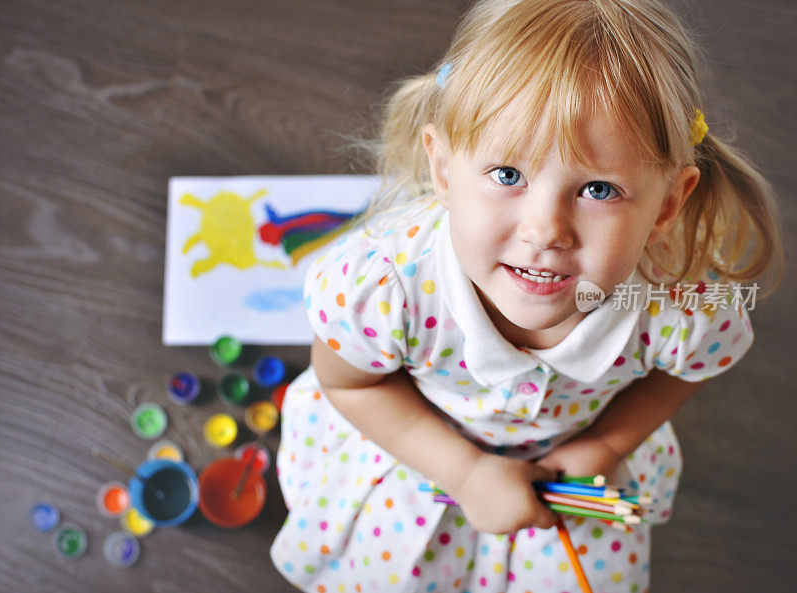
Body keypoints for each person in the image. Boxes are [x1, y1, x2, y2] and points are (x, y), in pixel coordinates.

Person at [270, 1, 783, 591]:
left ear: (668, 203)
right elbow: (348, 381)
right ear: (442, 168)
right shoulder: (384, 285)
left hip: (576, 478)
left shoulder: (683, 306)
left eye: (598, 188)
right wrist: (464, 473)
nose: (545, 230)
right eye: (508, 175)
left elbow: (691, 369)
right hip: (419, 459)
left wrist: (606, 443)